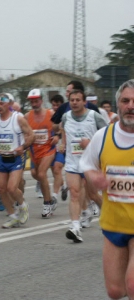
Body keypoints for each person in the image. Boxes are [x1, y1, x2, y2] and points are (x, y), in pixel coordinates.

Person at [80, 79, 134, 299]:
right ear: (118, 105)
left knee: (132, 286)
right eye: (125, 100)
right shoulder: (103, 137)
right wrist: (94, 176)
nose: (131, 105)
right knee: (115, 291)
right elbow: (86, 164)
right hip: (114, 224)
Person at [60, 89, 107, 243]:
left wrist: (91, 144)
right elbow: (63, 131)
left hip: (90, 163)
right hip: (72, 162)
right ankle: (75, 227)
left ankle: (107, 213)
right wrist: (62, 143)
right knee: (74, 193)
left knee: (93, 195)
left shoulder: (94, 117)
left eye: (77, 100)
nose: (74, 102)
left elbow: (108, 136)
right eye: (72, 100)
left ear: (84, 101)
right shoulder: (66, 117)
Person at [0, 93, 34, 229]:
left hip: (16, 158)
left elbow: (31, 135)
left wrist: (23, 146)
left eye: (2, 103)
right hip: (2, 158)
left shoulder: (18, 119)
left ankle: (23, 206)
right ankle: (13, 216)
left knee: (12, 188)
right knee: (2, 189)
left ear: (9, 104)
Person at [25, 89, 57, 218]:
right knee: (35, 174)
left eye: (36, 101)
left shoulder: (51, 114)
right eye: (32, 102)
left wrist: (58, 136)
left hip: (48, 149)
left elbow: (61, 126)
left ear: (41, 101)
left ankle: (47, 203)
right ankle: (48, 195)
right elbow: (22, 130)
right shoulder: (27, 117)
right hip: (34, 150)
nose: (34, 104)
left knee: (41, 173)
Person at [49, 94, 69, 202]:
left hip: (62, 147)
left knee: (57, 168)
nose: (55, 107)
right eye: (53, 105)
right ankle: (64, 186)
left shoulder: (66, 116)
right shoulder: (50, 115)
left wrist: (59, 137)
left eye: (58, 105)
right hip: (51, 148)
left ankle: (54, 197)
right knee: (55, 172)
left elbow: (65, 131)